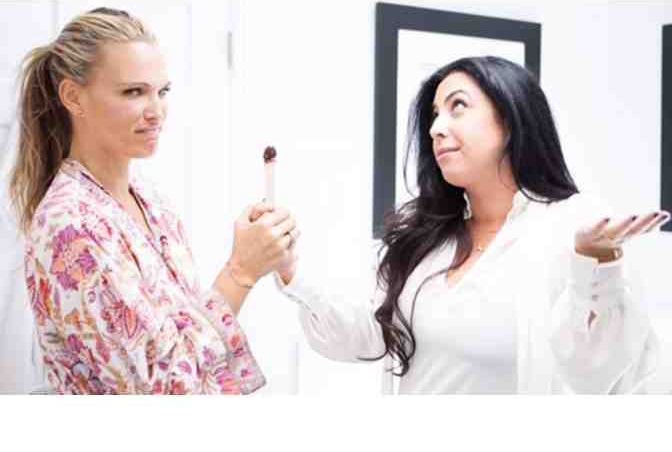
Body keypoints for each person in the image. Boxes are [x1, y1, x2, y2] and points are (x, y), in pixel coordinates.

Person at [274, 56, 669, 394]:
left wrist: (596, 265)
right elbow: (370, 336)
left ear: (510, 121)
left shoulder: (571, 226)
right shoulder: (427, 236)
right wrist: (292, 271)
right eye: (434, 115)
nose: (435, 128)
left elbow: (595, 376)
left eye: (457, 106)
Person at [8, 7, 299, 394]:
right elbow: (164, 388)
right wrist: (241, 270)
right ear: (73, 97)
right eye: (134, 92)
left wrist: (264, 259)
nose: (156, 111)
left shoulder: (151, 201)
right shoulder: (70, 228)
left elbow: (185, 340)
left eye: (162, 92)